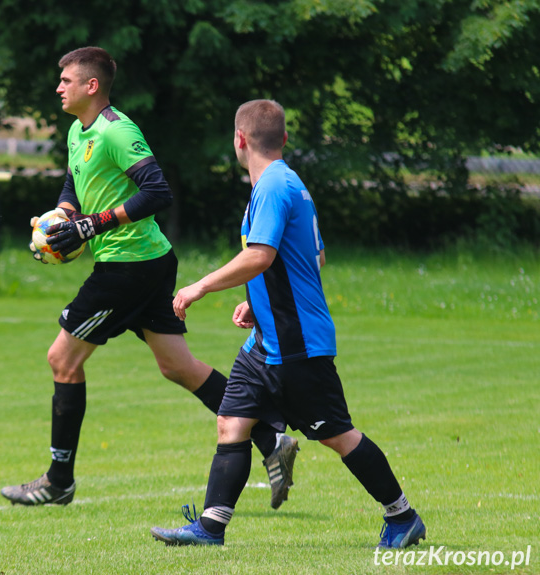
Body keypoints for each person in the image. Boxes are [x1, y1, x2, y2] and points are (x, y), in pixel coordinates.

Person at [1, 47, 296, 508]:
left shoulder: (118, 130)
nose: (59, 87)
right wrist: (62, 215)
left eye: (66, 80)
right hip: (145, 262)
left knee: (63, 359)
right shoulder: (80, 132)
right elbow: (73, 184)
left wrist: (94, 224)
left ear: (91, 86)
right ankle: (270, 437)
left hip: (129, 265)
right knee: (178, 367)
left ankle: (59, 482)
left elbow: (158, 192)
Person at [149, 99, 426, 549]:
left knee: (337, 435)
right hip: (266, 340)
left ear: (240, 139)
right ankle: (210, 528)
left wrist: (198, 287)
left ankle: (402, 516)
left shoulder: (275, 185)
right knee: (231, 423)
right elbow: (311, 256)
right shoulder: (283, 183)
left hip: (297, 344)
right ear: (284, 138)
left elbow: (261, 255)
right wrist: (257, 306)